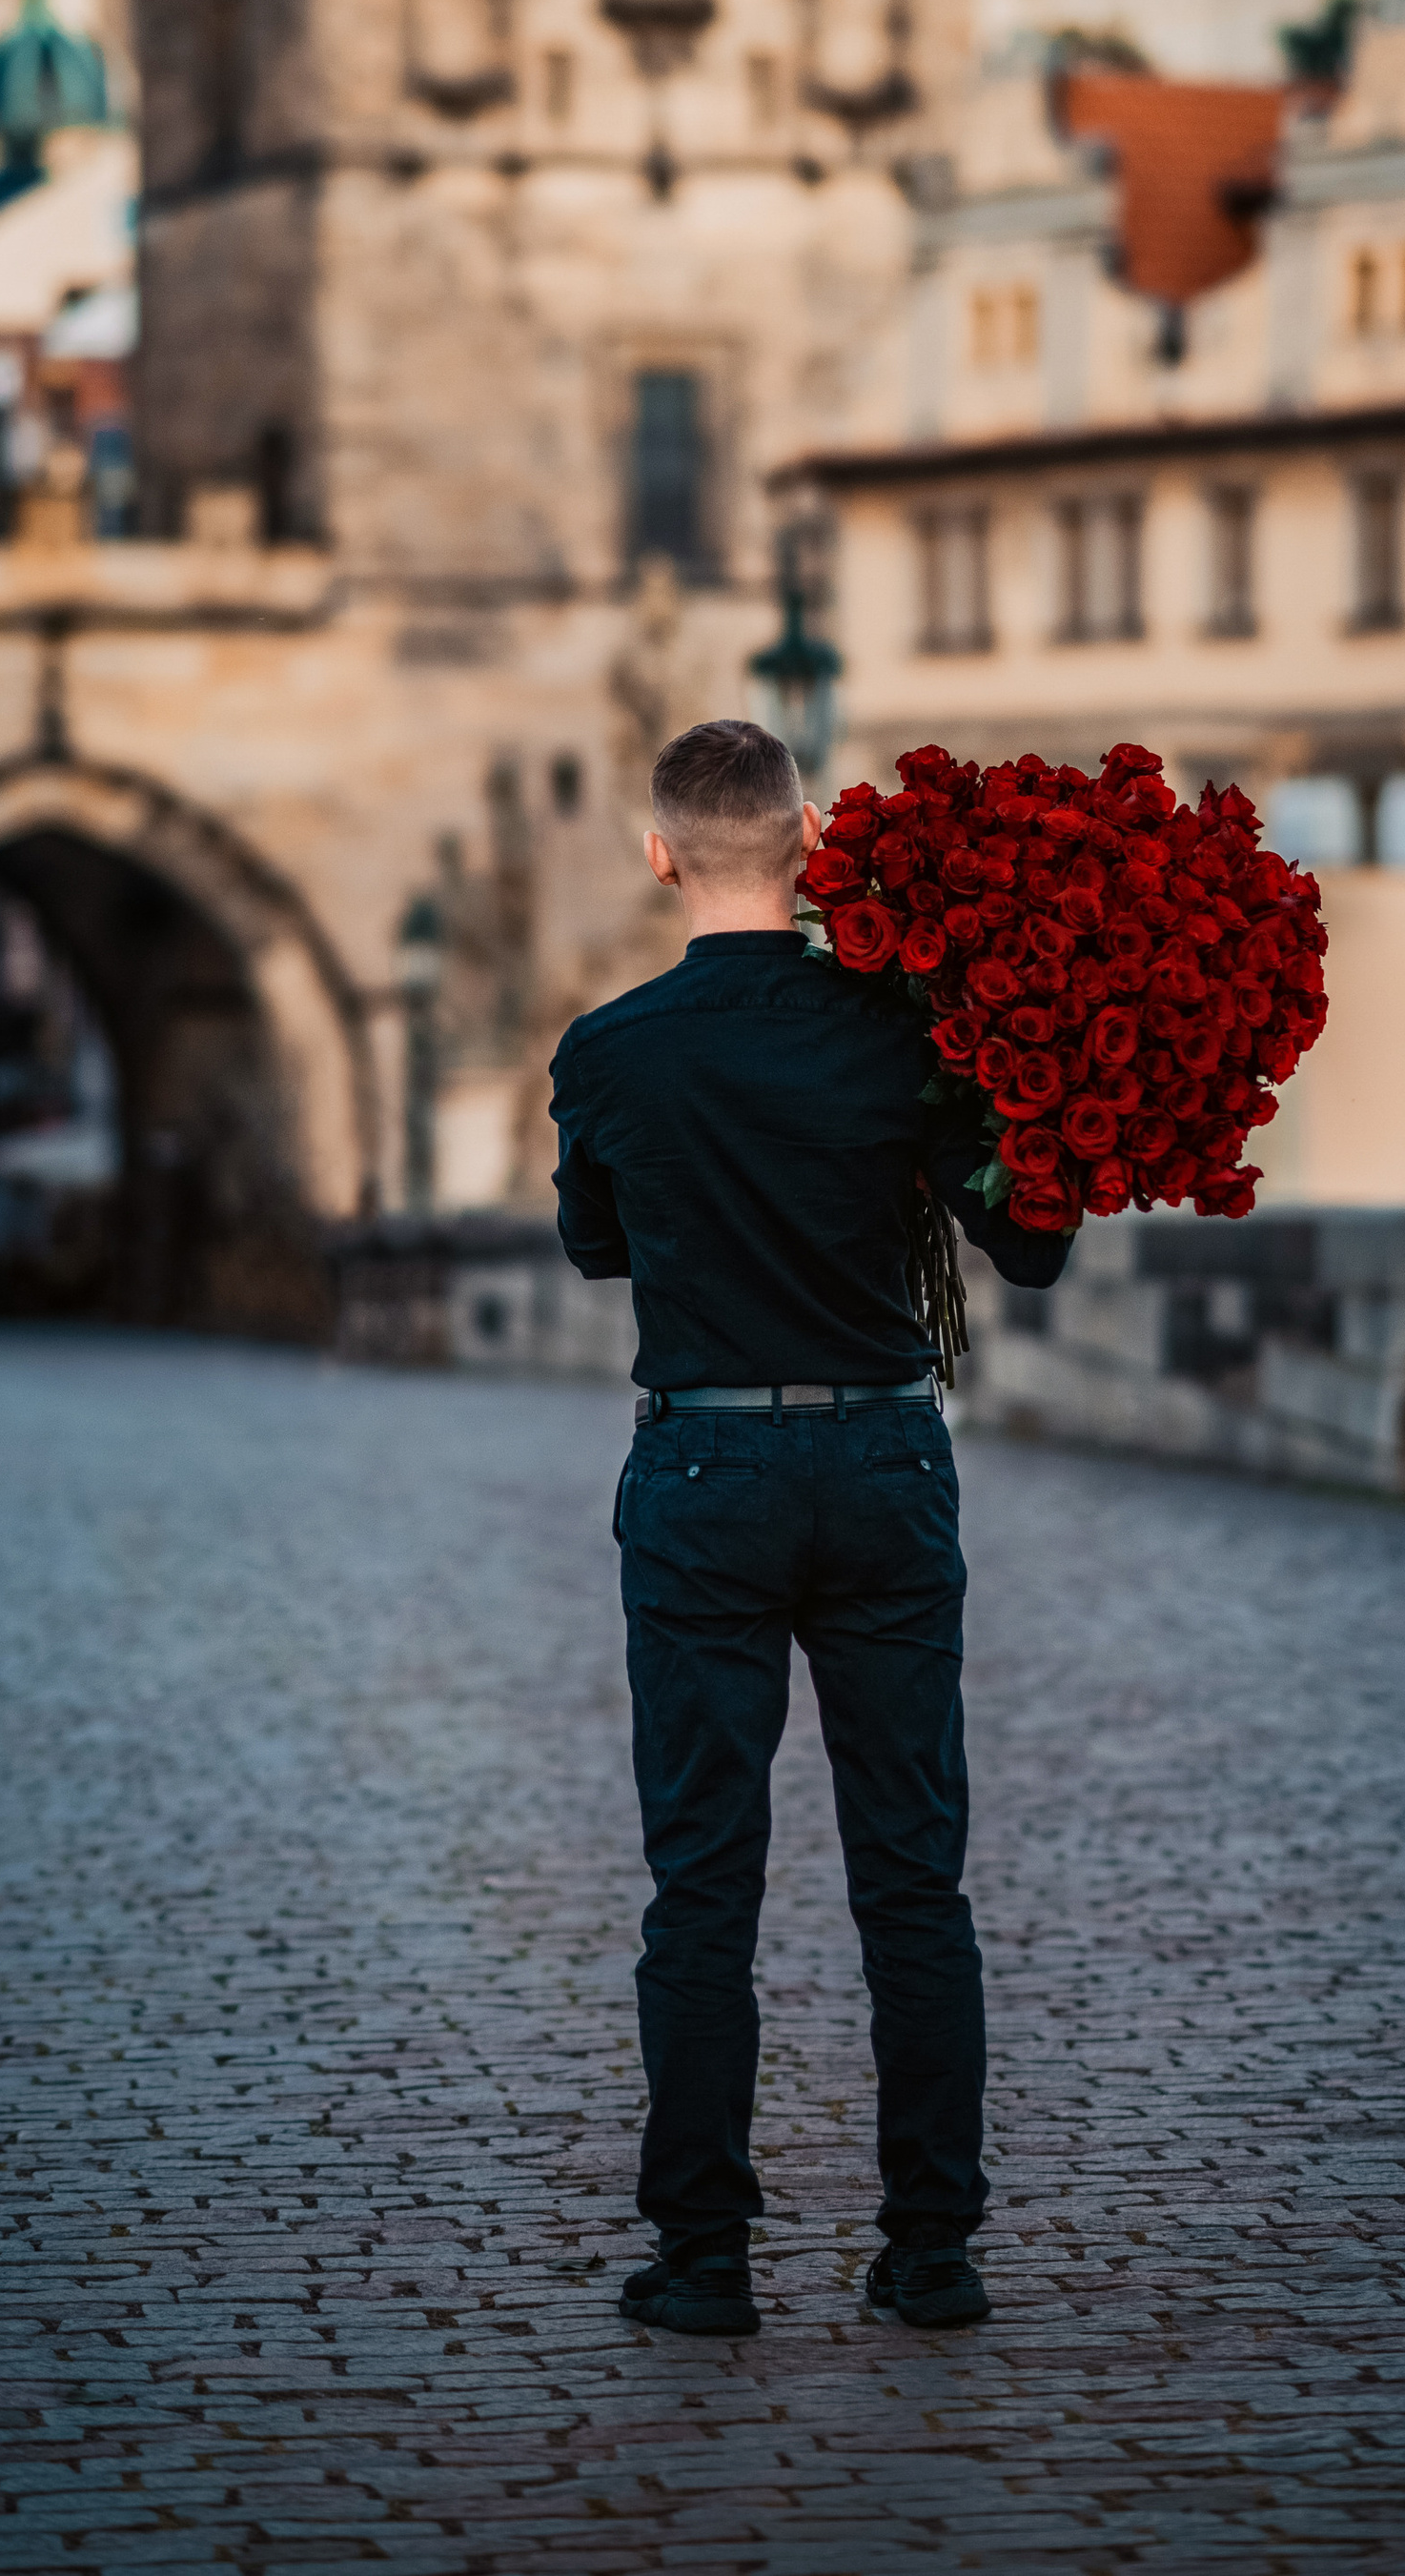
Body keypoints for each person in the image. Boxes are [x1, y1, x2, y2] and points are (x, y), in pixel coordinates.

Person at [550, 717, 1071, 2341]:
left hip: (705, 1466)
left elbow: (594, 1247)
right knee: (913, 1877)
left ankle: (706, 2258)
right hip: (883, 1458)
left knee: (702, 1883)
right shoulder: (905, 1033)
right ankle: (933, 2249)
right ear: (806, 846)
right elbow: (1030, 1246)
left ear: (661, 855)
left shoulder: (610, 1051)